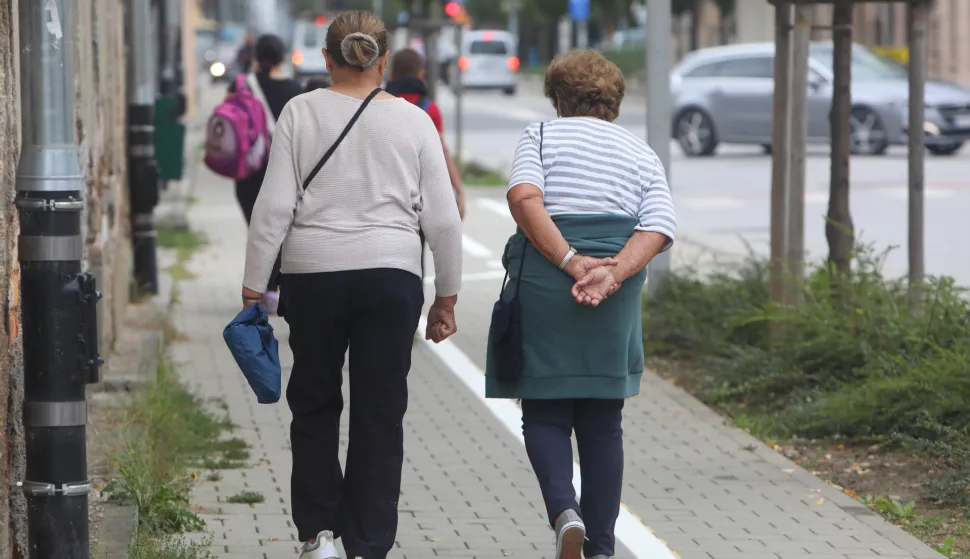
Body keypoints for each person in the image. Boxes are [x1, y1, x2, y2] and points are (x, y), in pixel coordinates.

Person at [241, 10, 463, 559]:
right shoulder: (414, 121)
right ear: (383, 61)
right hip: (391, 278)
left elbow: (273, 208)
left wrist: (253, 287)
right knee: (380, 412)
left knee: (314, 403)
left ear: (326, 58)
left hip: (312, 278)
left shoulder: (300, 112)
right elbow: (442, 220)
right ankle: (367, 544)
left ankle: (317, 535)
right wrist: (447, 297)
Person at [485, 49, 676, 559]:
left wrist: (571, 261)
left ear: (558, 99)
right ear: (614, 103)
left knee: (544, 412)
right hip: (614, 292)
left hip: (548, 284)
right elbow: (659, 225)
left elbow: (524, 199)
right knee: (603, 422)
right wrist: (612, 273)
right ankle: (601, 549)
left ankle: (564, 512)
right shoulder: (641, 153)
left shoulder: (540, 137)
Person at [230, 34, 303, 313]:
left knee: (258, 230)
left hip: (247, 170)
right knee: (282, 229)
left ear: (255, 57)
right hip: (282, 171)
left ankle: (259, 290)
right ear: (282, 58)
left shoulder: (240, 86)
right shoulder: (294, 89)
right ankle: (273, 290)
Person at [384, 48, 465, 219]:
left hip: (386, 192)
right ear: (421, 73)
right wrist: (459, 191)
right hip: (420, 198)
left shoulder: (379, 105)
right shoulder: (430, 109)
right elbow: (442, 151)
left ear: (391, 73)